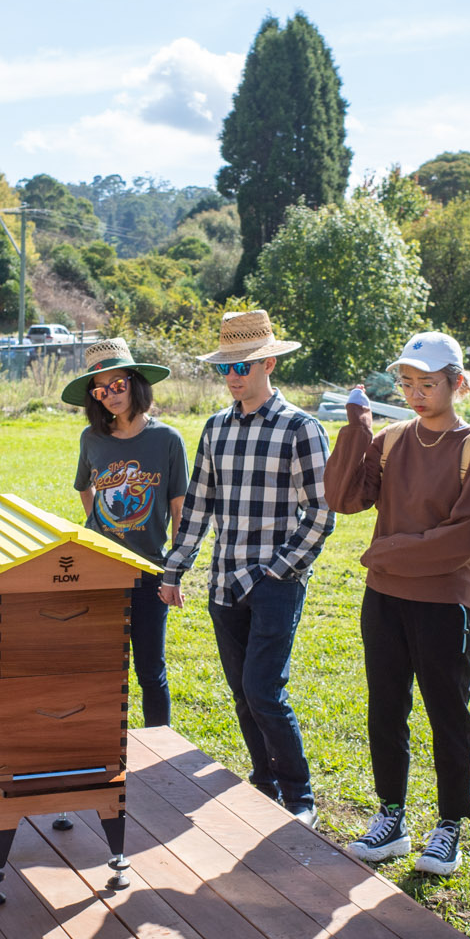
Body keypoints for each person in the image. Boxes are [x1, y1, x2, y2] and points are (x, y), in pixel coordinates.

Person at [327, 331, 470, 875]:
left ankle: (449, 825)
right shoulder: (394, 438)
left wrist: (387, 551)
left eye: (429, 383)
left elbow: (461, 539)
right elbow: (344, 497)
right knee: (386, 706)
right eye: (407, 383)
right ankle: (391, 816)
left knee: (447, 711)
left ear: (458, 384)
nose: (416, 393)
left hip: (444, 603)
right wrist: (357, 430)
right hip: (385, 599)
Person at [159, 310, 335, 825]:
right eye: (227, 368)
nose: (234, 377)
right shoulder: (215, 429)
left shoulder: (301, 428)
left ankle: (299, 797)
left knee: (264, 688)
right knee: (241, 693)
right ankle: (264, 783)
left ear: (269, 363)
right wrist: (175, 569)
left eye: (244, 366)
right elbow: (198, 505)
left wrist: (282, 569)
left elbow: (322, 512)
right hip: (223, 580)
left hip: (275, 582)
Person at [65, 338, 187, 727]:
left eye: (117, 385)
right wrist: (97, 524)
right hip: (99, 569)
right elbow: (85, 486)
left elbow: (178, 509)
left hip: (149, 569)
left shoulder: (167, 439)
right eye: (100, 390)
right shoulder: (92, 439)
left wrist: (175, 572)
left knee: (151, 670)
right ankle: (101, 743)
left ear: (135, 382)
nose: (111, 396)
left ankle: (158, 747)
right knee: (101, 668)